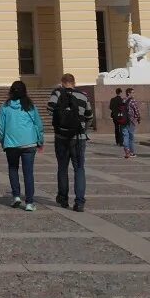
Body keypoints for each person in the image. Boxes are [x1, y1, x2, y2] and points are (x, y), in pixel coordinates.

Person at [47, 74, 92, 212]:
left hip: (61, 136)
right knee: (79, 168)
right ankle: (79, 202)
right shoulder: (83, 96)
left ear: (62, 82)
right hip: (78, 137)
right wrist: (83, 128)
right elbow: (89, 116)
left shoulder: (57, 93)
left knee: (62, 167)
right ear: (74, 82)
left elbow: (50, 109)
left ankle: (63, 198)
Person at [0, 81, 44, 211]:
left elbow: (0, 127)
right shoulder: (30, 106)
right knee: (28, 173)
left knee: (13, 169)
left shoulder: (5, 107)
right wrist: (40, 140)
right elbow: (38, 125)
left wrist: (2, 140)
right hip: (29, 143)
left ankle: (16, 196)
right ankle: (29, 202)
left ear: (11, 91)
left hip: (11, 144)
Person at [119, 87, 141, 159]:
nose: (134, 94)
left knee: (125, 136)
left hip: (123, 120)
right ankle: (131, 152)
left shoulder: (123, 100)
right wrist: (138, 118)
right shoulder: (132, 101)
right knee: (131, 137)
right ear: (129, 93)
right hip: (131, 121)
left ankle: (126, 151)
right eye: (133, 92)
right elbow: (136, 110)